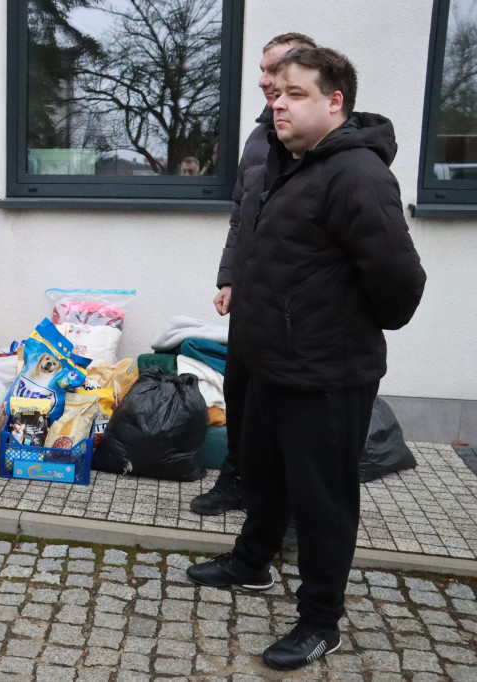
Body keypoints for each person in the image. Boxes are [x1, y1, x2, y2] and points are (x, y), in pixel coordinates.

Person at [186, 47, 426, 671]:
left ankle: (321, 620)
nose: (278, 101)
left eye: (294, 93)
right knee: (263, 476)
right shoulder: (288, 165)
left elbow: (400, 284)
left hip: (325, 373)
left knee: (322, 501)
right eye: (275, 93)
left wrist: (334, 325)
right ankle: (250, 565)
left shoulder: (357, 175)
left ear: (334, 101)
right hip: (270, 362)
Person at [191, 32, 317, 519]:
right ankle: (238, 478)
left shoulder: (316, 138)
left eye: (276, 69)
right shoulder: (260, 134)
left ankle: (285, 506)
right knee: (241, 392)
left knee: (286, 410)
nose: (265, 80)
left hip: (297, 307)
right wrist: (230, 278)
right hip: (253, 299)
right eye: (263, 71)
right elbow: (242, 216)